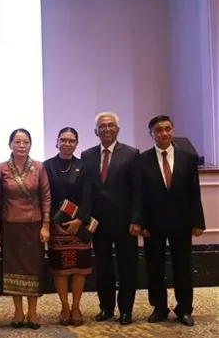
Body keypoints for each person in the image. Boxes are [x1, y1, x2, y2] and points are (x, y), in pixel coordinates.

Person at [140, 115, 206, 326]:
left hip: (181, 222)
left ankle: (184, 309)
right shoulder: (142, 160)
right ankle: (159, 307)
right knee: (155, 267)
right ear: (151, 134)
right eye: (159, 130)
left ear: (173, 130)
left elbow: (194, 192)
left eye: (168, 129)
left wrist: (198, 221)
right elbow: (139, 195)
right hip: (153, 224)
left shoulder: (187, 158)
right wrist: (140, 223)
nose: (164, 133)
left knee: (183, 266)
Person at [80, 112, 142, 325]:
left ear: (117, 129)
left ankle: (126, 311)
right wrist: (86, 218)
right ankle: (106, 308)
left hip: (125, 223)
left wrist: (136, 219)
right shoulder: (87, 155)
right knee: (103, 268)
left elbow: (137, 191)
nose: (106, 129)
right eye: (102, 126)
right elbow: (86, 189)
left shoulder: (132, 154)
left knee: (127, 268)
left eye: (111, 125)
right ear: (95, 131)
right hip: (98, 223)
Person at [0, 128, 50, 330]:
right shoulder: (1, 169)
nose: (22, 145)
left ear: (30, 145)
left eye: (25, 142)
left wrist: (46, 226)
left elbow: (46, 198)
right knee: (13, 269)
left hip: (34, 226)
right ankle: (18, 311)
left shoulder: (39, 167)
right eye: (17, 142)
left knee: (33, 269)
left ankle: (32, 312)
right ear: (10, 145)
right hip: (10, 227)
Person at [43, 127, 92, 327]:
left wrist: (80, 219)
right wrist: (53, 222)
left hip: (78, 226)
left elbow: (89, 196)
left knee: (80, 269)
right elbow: (46, 196)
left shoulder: (85, 166)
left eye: (71, 140)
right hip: (56, 226)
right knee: (60, 269)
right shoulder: (47, 166)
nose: (67, 144)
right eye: (63, 140)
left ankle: (76, 307)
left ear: (76, 143)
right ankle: (64, 306)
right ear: (57, 142)